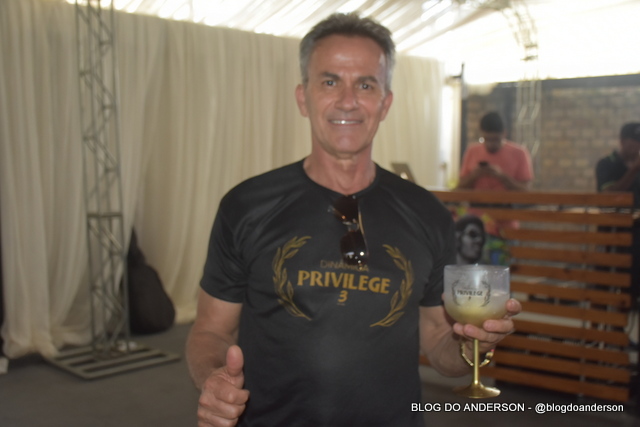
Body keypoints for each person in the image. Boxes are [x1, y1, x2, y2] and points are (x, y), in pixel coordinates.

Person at [186, 13, 521, 427]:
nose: (348, 100)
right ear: (303, 98)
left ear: (385, 103)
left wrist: (470, 347)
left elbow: (438, 339)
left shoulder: (427, 215)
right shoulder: (246, 206)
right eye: (330, 82)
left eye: (365, 84)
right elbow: (210, 331)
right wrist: (213, 379)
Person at [456, 112, 533, 191]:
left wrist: (501, 176)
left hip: (507, 199)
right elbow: (459, 188)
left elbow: (526, 190)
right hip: (478, 198)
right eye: (487, 139)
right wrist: (475, 175)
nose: (491, 144)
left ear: (504, 134)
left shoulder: (519, 153)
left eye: (495, 140)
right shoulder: (472, 151)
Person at [595, 122, 640, 206]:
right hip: (614, 214)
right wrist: (634, 170)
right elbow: (609, 195)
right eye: (634, 141)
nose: (638, 145)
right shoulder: (606, 164)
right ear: (622, 141)